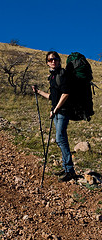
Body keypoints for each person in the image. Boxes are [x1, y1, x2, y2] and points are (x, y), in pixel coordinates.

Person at [32, 51, 76, 182]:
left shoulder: (62, 74)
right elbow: (53, 97)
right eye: (50, 60)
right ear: (47, 62)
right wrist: (38, 92)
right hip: (57, 111)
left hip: (62, 112)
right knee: (61, 139)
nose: (53, 61)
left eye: (55, 59)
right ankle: (66, 167)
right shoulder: (52, 77)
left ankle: (70, 171)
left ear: (59, 61)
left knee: (60, 139)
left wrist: (56, 109)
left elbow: (66, 94)